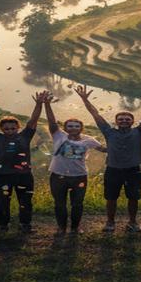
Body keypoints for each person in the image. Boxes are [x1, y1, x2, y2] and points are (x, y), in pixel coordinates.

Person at [75, 83, 141, 232]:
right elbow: (96, 115)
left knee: (133, 198)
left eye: (127, 119)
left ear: (132, 122)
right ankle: (110, 222)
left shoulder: (139, 131)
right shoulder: (108, 131)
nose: (124, 121)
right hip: (113, 170)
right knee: (111, 198)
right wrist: (84, 99)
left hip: (133, 170)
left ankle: (132, 222)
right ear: (116, 122)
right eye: (121, 119)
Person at [0, 91, 44, 233]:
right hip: (2, 176)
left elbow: (33, 120)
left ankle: (25, 224)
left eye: (13, 128)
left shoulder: (25, 136)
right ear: (1, 129)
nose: (10, 131)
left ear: (18, 127)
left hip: (24, 175)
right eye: (6, 129)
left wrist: (38, 103)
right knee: (2, 202)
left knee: (25, 201)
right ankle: (3, 225)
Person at [43, 90, 106, 233]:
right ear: (65, 128)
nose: (73, 128)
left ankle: (75, 228)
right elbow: (51, 122)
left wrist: (120, 144)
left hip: (79, 176)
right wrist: (47, 104)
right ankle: (61, 228)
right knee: (59, 203)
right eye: (70, 126)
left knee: (77, 204)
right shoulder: (59, 136)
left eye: (76, 126)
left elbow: (103, 149)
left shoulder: (88, 140)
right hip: (58, 176)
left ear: (81, 128)